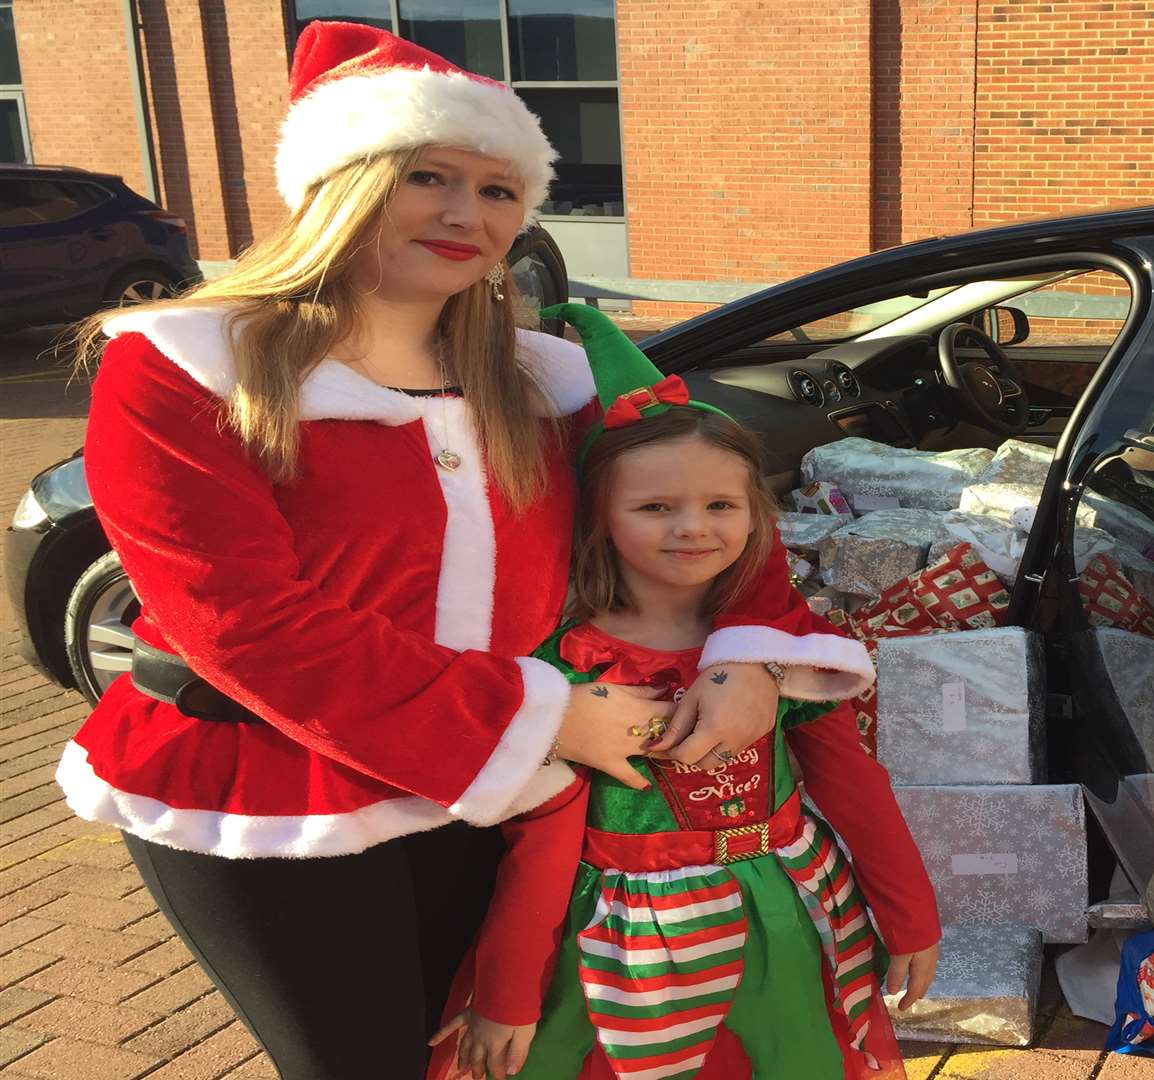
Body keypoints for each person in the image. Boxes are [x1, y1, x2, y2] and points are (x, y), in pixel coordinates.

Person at [53, 22, 871, 1080]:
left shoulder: (551, 379)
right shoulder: (188, 368)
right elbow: (246, 622)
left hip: (508, 784)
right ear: (340, 184)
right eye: (428, 177)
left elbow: (706, 510)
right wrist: (548, 715)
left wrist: (744, 655)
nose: (465, 215)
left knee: (485, 1059)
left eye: (497, 190)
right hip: (273, 785)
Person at [427, 304, 940, 1080]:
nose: (692, 528)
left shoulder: (780, 651)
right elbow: (541, 845)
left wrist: (911, 916)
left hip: (790, 920)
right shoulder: (565, 668)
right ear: (599, 518)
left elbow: (852, 780)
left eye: (720, 505)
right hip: (626, 954)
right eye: (655, 507)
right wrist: (508, 992)